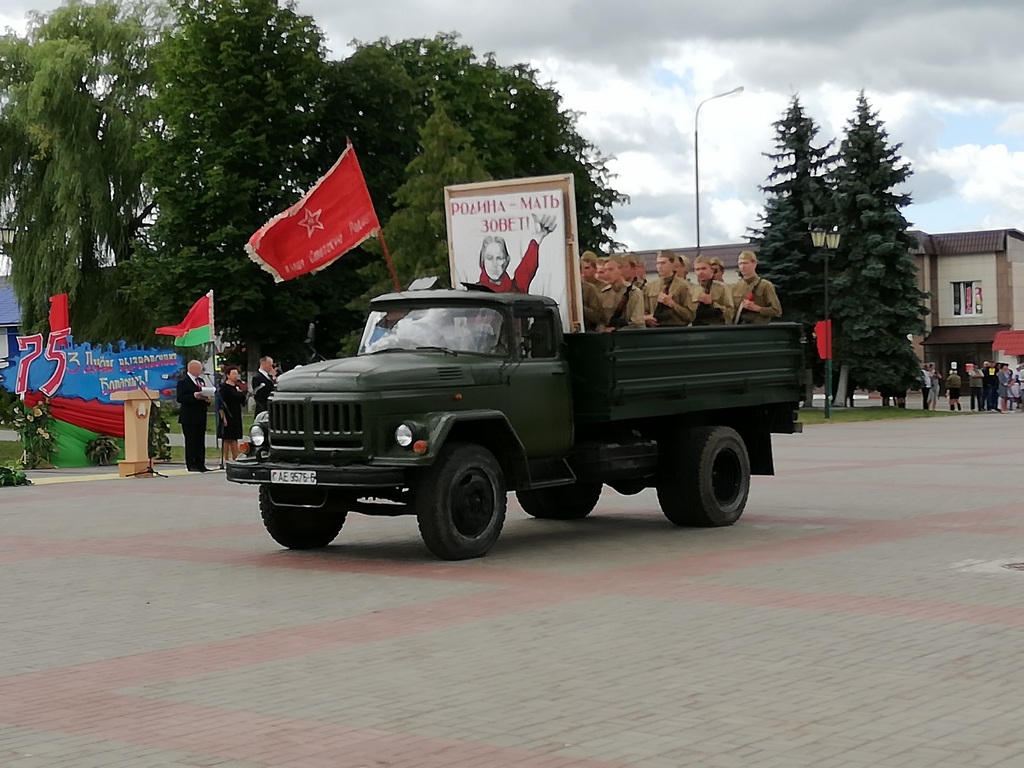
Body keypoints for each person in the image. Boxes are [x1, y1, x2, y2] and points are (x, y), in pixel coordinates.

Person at [478, 213, 557, 293]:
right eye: (489, 258)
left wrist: (537, 238)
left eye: (499, 258)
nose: (494, 264)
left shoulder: (516, 290)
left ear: (507, 260)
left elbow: (526, 269)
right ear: (482, 261)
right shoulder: (474, 293)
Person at [643, 251, 695, 327]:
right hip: (654, 328)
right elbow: (642, 311)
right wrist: (647, 318)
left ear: (673, 264)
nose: (659, 266)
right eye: (657, 263)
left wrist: (673, 305)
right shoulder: (650, 287)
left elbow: (691, 315)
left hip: (676, 328)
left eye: (663, 263)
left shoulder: (683, 286)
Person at [176, 359, 211, 472]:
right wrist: (193, 396)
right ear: (192, 368)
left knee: (200, 441)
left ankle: (201, 464)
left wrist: (207, 399)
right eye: (199, 368)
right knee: (191, 441)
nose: (201, 370)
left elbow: (203, 394)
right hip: (189, 417)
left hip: (200, 415)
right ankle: (191, 464)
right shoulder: (183, 382)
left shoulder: (200, 381)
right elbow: (180, 398)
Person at [731, 250, 782, 324]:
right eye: (740, 264)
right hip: (740, 327)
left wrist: (758, 308)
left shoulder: (765, 285)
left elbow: (777, 311)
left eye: (745, 263)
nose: (742, 266)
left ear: (754, 264)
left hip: (759, 327)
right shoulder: (736, 287)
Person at [597, 256, 644, 330]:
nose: (607, 273)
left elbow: (637, 323)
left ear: (621, 270)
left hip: (626, 334)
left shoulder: (633, 292)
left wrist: (617, 330)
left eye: (611, 269)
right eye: (605, 270)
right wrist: (603, 329)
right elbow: (599, 321)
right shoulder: (603, 294)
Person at [690, 255, 734, 326]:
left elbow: (730, 313)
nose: (701, 272)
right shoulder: (691, 290)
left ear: (711, 270)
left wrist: (712, 303)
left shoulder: (722, 288)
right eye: (697, 269)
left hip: (717, 327)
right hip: (697, 328)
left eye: (704, 268)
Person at [218, 365, 247, 461]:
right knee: (227, 438)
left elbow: (241, 401)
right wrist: (223, 417)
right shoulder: (224, 387)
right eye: (233, 374)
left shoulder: (236, 387)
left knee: (235, 438)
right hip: (227, 414)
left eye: (236, 374)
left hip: (235, 414)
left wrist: (242, 393)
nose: (236, 376)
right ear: (227, 375)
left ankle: (235, 457)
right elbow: (221, 403)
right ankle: (226, 459)